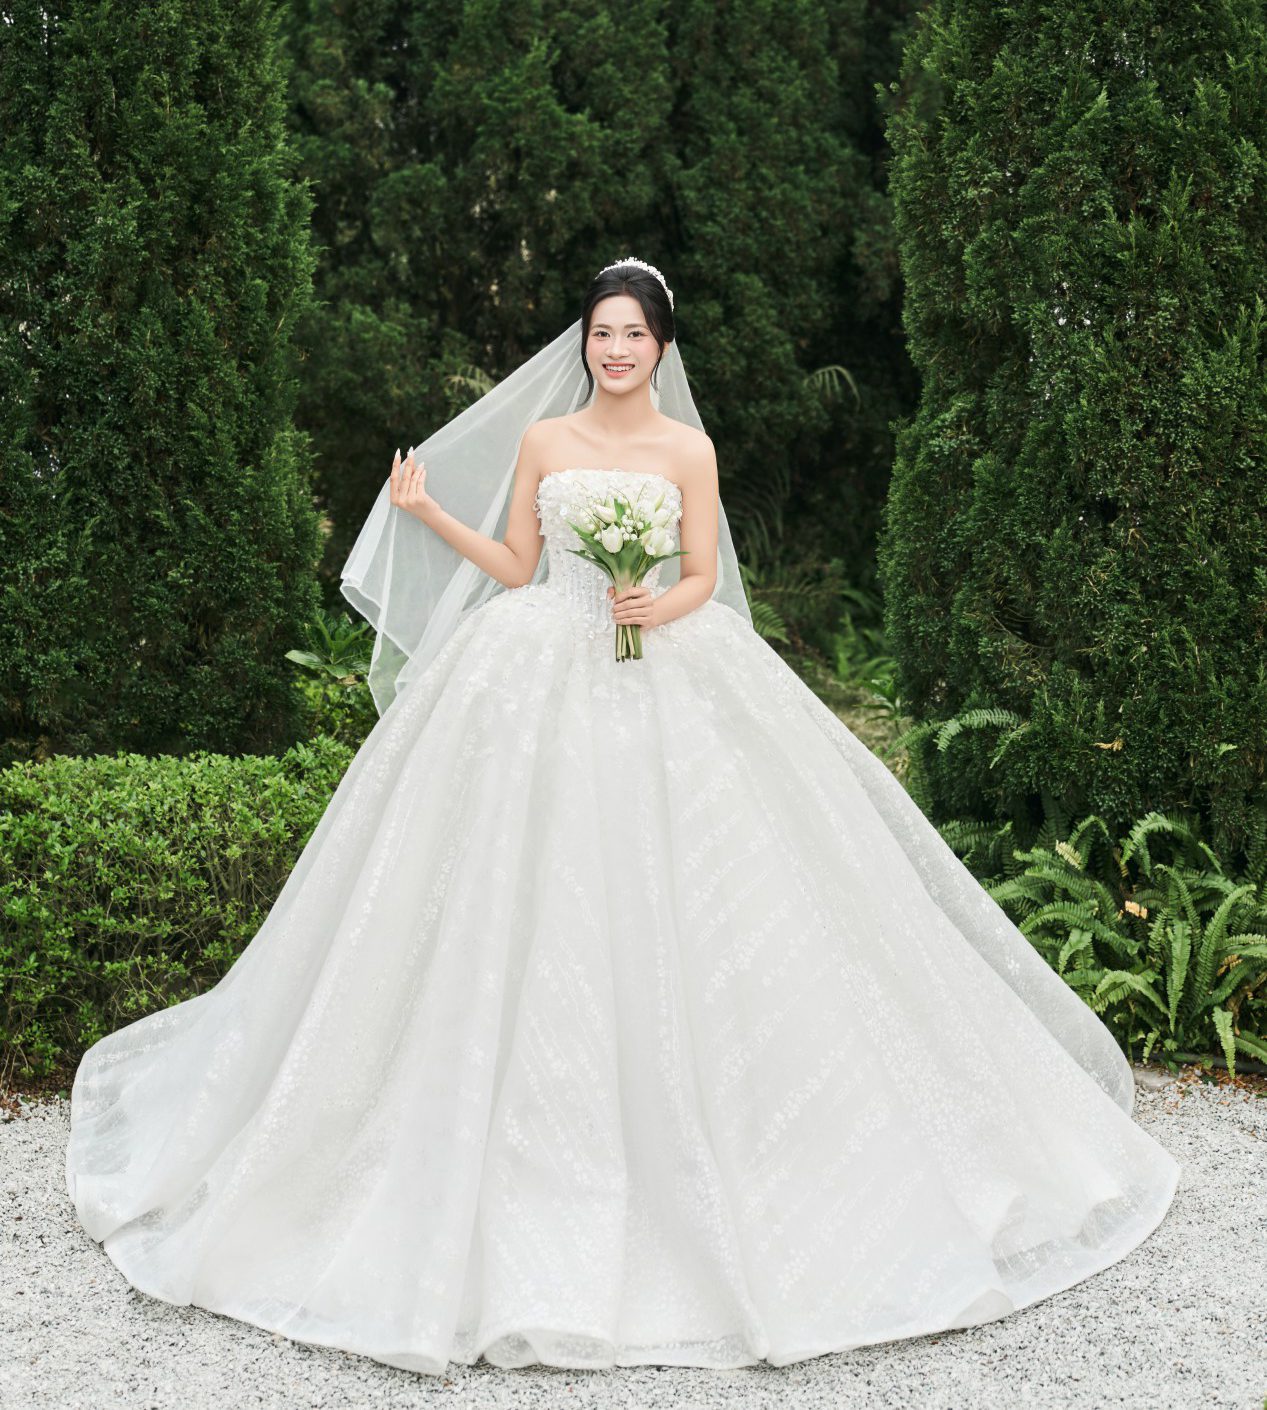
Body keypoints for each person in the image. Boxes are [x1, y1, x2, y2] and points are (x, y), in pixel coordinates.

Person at [65, 257, 1180, 1377]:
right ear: (584, 341)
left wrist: (657, 604)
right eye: (600, 332)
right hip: (537, 666)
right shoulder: (545, 440)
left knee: (717, 896)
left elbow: (702, 574)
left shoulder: (688, 449)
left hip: (663, 667)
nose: (614, 350)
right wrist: (428, 512)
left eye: (632, 335)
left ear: (660, 347)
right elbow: (518, 565)